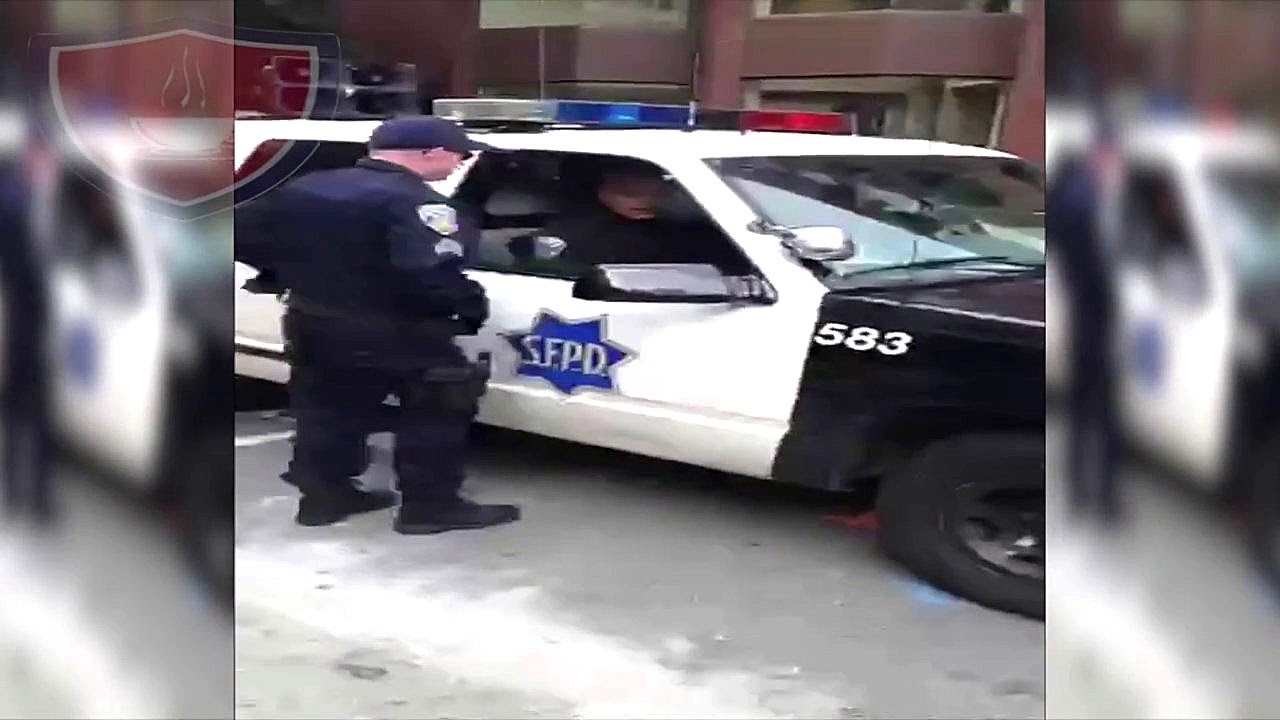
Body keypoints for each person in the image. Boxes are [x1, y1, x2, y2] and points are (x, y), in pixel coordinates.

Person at [235, 116, 520, 535]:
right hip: (397, 329)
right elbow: (428, 273)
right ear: (431, 153)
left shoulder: (309, 187)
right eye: (460, 154)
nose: (461, 163)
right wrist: (468, 305)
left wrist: (287, 272)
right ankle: (430, 508)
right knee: (436, 410)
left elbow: (239, 233)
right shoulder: (417, 203)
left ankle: (323, 499)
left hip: (312, 319)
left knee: (326, 412)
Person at [0, 150, 54, 527]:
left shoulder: (41, 200)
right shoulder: (13, 201)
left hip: (38, 322)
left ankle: (30, 494)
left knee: (32, 412)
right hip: (19, 322)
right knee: (25, 411)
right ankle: (23, 494)